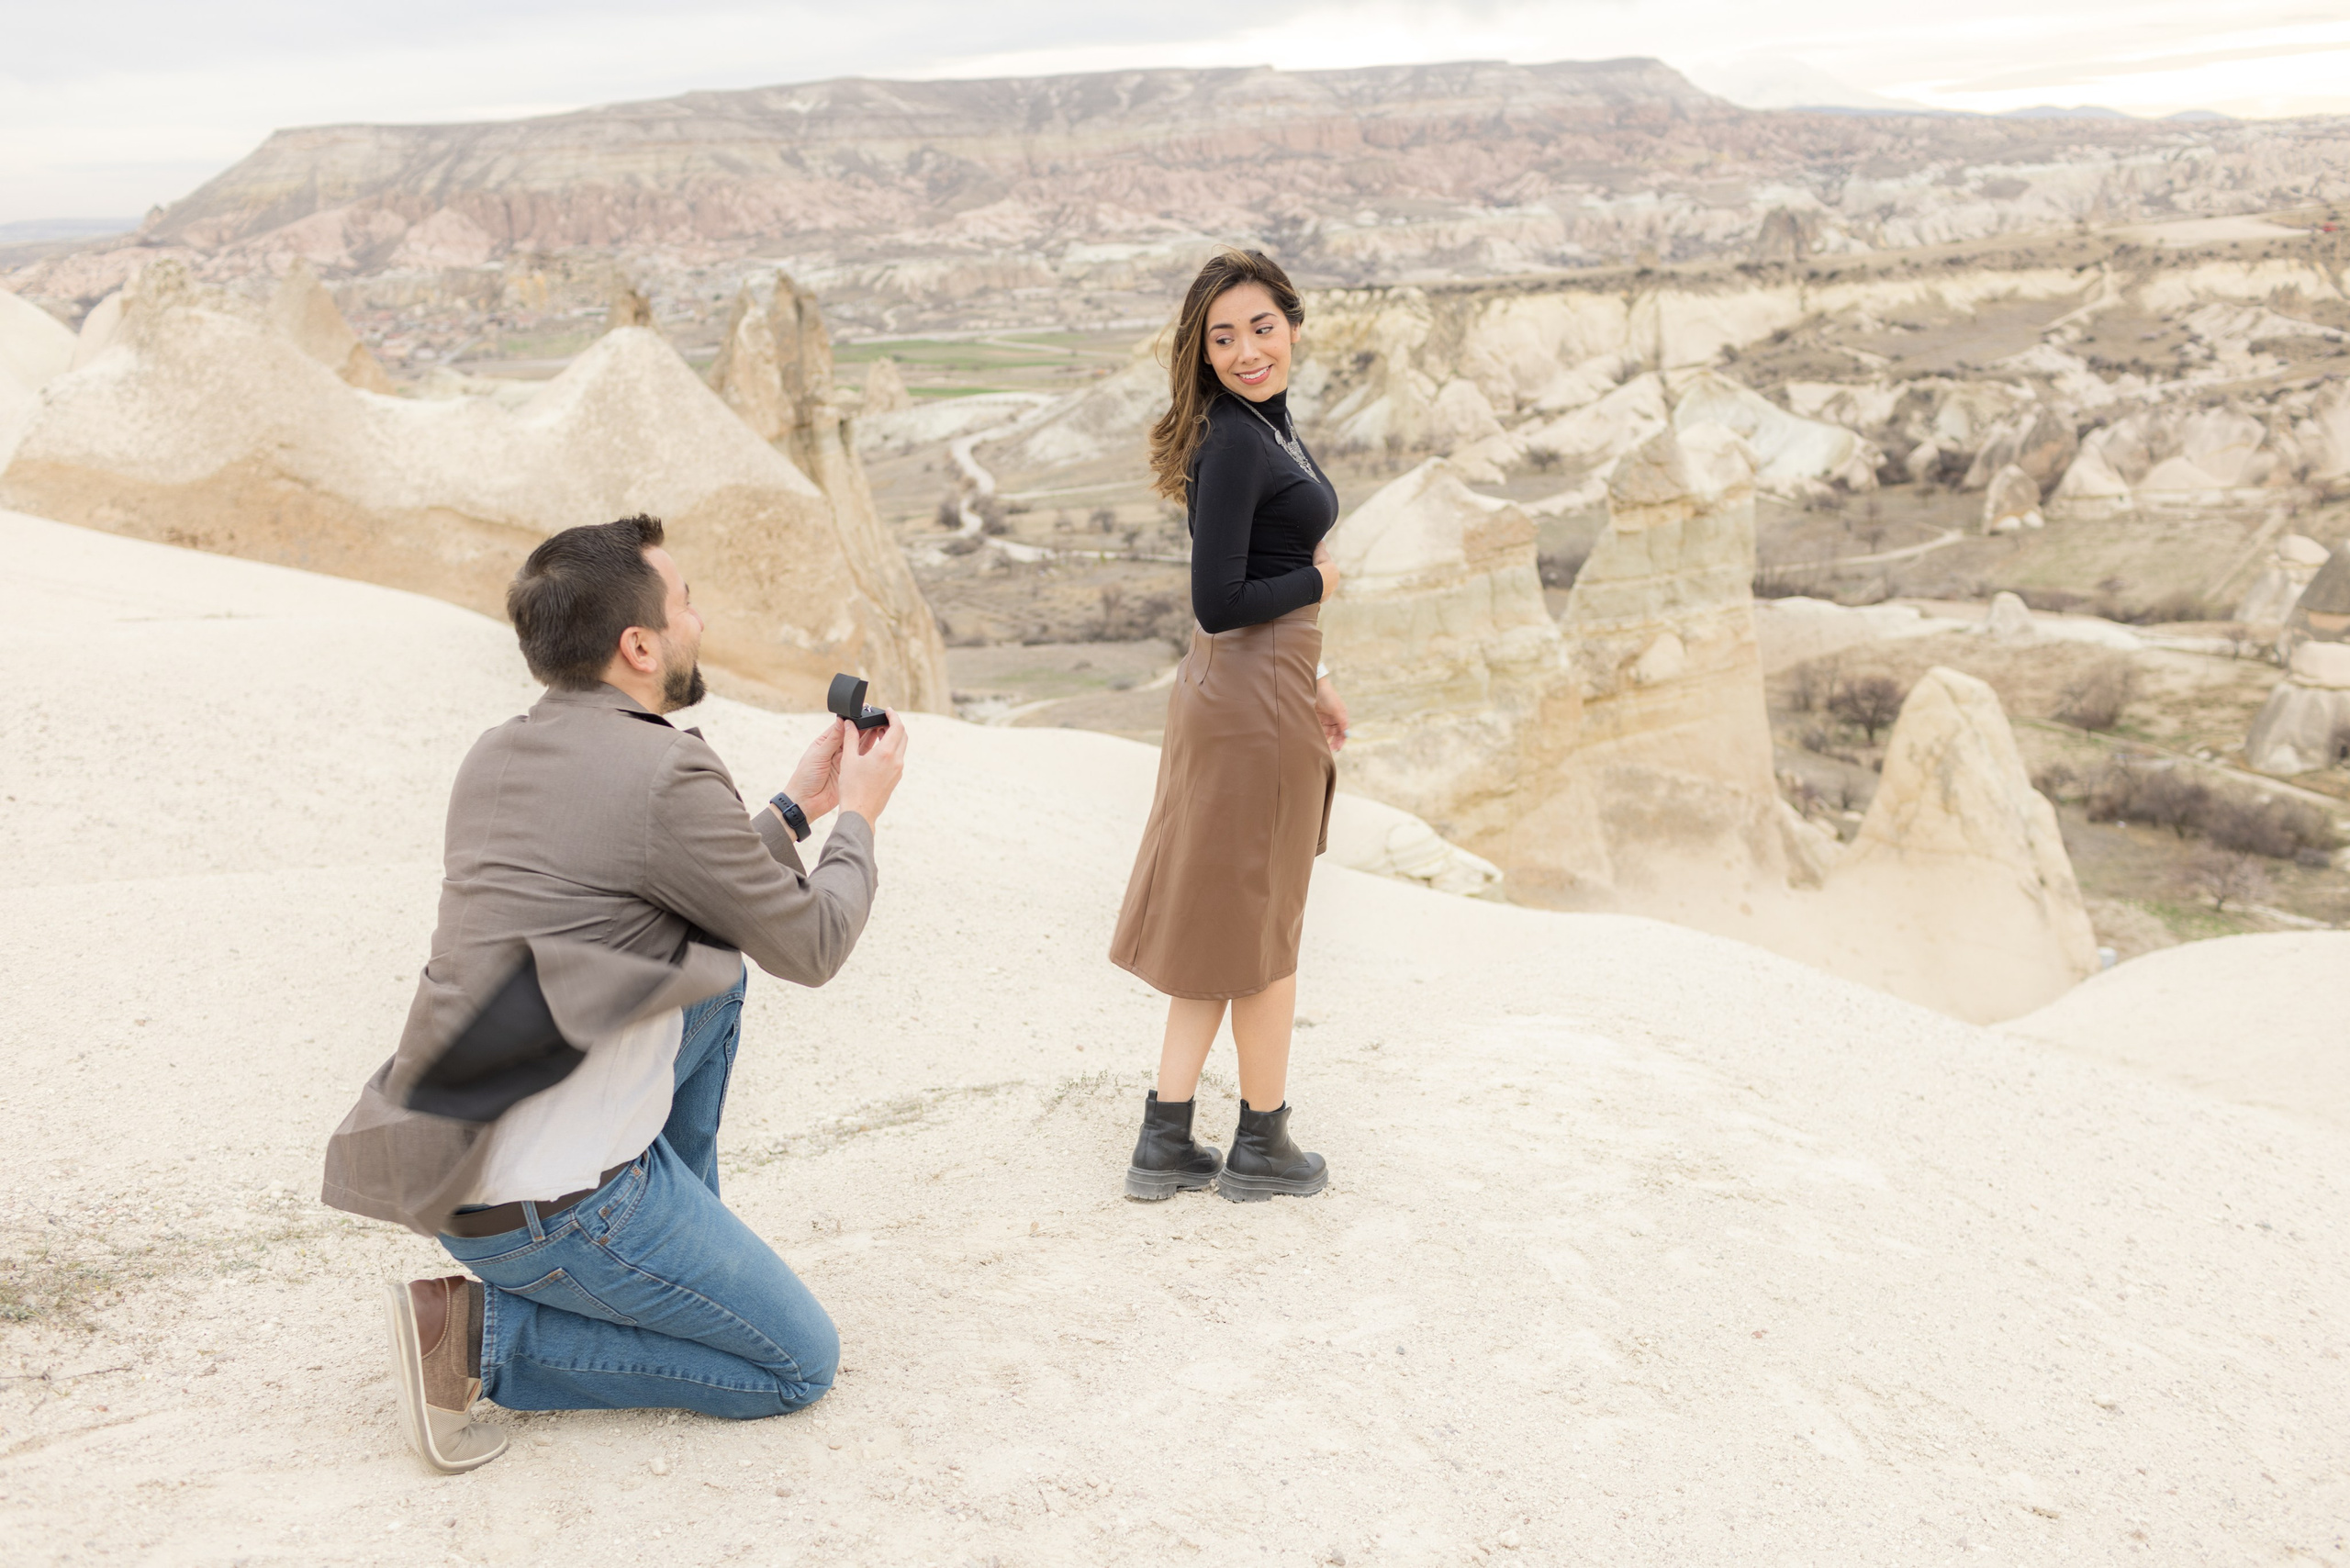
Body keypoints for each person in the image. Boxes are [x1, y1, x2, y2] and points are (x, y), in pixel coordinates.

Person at [319, 513, 909, 1473]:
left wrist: (802, 806)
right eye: (683, 604)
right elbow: (811, 941)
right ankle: (477, 1335)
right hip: (555, 1208)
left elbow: (662, 886)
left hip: (455, 1165)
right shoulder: (667, 767)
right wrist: (864, 822)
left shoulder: (497, 754)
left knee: (714, 979)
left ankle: (672, 1246)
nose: (698, 621)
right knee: (797, 1362)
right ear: (638, 645)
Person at [1109, 248, 1347, 1204]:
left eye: (1260, 327)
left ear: (1290, 323)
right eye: (1223, 337)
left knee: (1224, 914)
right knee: (1264, 925)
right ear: (1200, 354)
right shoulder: (1240, 442)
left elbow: (1254, 574)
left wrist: (1319, 672)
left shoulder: (1261, 424)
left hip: (1256, 688)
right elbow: (1219, 599)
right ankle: (1262, 1141)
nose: (1247, 349)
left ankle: (1166, 1138)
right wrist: (1321, 585)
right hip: (1251, 699)